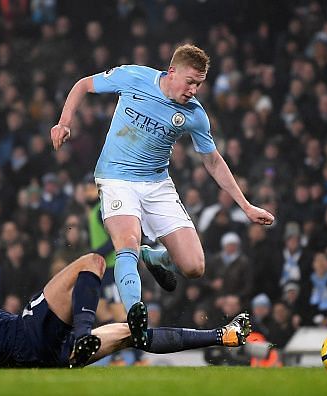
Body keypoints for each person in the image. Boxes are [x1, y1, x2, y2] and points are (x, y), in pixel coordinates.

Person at [50, 44, 274, 348]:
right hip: (116, 178)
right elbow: (83, 85)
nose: (194, 90)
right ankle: (135, 316)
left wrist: (245, 206)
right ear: (171, 72)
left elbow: (212, 160)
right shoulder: (133, 77)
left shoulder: (195, 115)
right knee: (126, 241)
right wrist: (64, 123)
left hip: (157, 184)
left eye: (199, 84)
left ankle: (152, 256)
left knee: (194, 267)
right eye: (190, 81)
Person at [0, 246, 251, 369]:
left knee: (133, 333)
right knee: (94, 261)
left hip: (48, 358)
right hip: (28, 333)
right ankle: (83, 333)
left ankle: (225, 335)